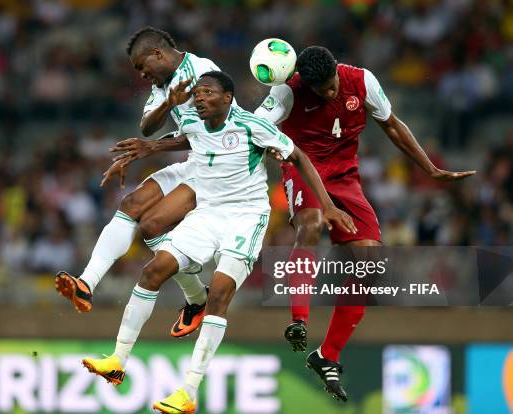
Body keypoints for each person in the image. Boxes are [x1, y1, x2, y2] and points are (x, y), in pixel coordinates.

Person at [82, 71, 356, 414]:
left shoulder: (250, 125)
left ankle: (188, 391)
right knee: (153, 271)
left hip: (246, 217)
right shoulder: (195, 123)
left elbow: (298, 156)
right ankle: (118, 359)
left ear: (227, 98)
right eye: (197, 93)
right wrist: (148, 148)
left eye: (207, 93)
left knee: (221, 292)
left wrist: (327, 205)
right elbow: (181, 139)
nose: (199, 98)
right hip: (207, 214)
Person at [254, 46, 476, 401]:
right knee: (310, 224)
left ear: (337, 74)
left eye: (331, 86)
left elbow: (392, 125)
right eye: (320, 90)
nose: (329, 93)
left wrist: (429, 168)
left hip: (345, 177)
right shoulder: (286, 91)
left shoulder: (361, 80)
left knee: (371, 262)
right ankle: (299, 319)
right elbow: (255, 124)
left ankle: (327, 356)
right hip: (302, 169)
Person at [55, 27, 225, 338]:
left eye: (142, 67)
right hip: (196, 163)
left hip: (220, 167)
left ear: (158, 54)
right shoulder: (163, 87)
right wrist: (167, 106)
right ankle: (87, 283)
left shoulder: (202, 72)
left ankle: (198, 298)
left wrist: (155, 147)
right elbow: (147, 127)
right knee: (131, 205)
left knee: (150, 227)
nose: (142, 76)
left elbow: (216, 134)